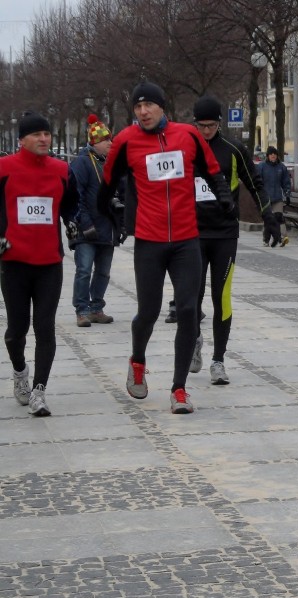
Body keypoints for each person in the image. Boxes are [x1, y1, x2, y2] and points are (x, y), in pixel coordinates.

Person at [98, 81, 233, 414]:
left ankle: (179, 389)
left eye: (149, 105)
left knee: (188, 311)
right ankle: (138, 360)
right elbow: (107, 186)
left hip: (187, 240)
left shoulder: (187, 136)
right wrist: (113, 219)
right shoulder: (126, 142)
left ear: (162, 107)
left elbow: (212, 171)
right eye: (137, 106)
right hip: (150, 241)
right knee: (149, 312)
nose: (143, 111)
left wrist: (225, 198)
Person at [0, 112, 79, 416]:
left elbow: (70, 203)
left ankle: (39, 390)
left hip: (49, 262)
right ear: (22, 140)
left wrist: (71, 222)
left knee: (44, 327)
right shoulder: (5, 168)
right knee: (16, 330)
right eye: (36, 134)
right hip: (14, 261)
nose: (44, 139)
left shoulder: (61, 170)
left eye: (46, 134)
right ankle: (20, 372)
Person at [188, 95, 271, 384]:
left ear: (219, 124)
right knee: (192, 298)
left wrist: (269, 217)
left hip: (224, 234)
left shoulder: (233, 149)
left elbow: (255, 183)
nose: (206, 131)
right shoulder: (185, 149)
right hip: (193, 235)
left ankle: (218, 360)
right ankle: (194, 341)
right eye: (201, 126)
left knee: (221, 297)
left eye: (211, 126)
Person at [70, 114, 125, 328]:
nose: (110, 143)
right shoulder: (82, 163)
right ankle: (82, 310)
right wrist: (85, 224)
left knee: (103, 271)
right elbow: (76, 197)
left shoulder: (112, 164)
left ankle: (96, 307)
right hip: (88, 229)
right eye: (106, 140)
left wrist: (121, 225)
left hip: (107, 228)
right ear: (95, 143)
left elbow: (121, 195)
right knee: (84, 270)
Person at [259, 146, 291, 247]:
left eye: (275, 154)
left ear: (277, 156)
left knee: (279, 218)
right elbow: (257, 181)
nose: (273, 156)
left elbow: (286, 182)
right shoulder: (261, 166)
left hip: (277, 197)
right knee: (268, 220)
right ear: (268, 156)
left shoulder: (281, 167)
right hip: (266, 198)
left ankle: (282, 238)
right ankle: (266, 239)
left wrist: (287, 193)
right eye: (271, 154)